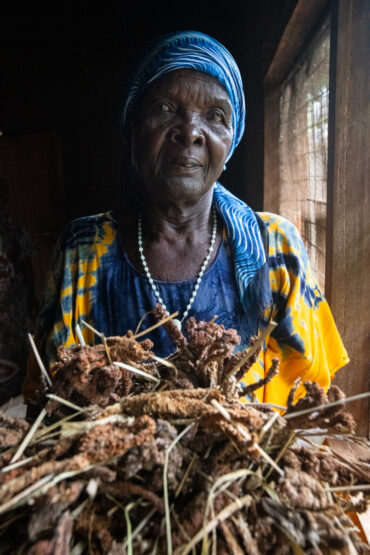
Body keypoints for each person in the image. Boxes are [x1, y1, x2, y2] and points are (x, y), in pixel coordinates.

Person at [23, 31, 348, 409]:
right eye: (164, 108)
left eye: (215, 116)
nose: (191, 131)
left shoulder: (276, 248)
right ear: (132, 131)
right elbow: (50, 400)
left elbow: (310, 403)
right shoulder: (83, 250)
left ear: (231, 143)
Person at [0, 177, 38, 404]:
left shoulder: (11, 226)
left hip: (12, 305)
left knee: (18, 353)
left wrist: (32, 298)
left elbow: (25, 261)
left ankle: (16, 404)